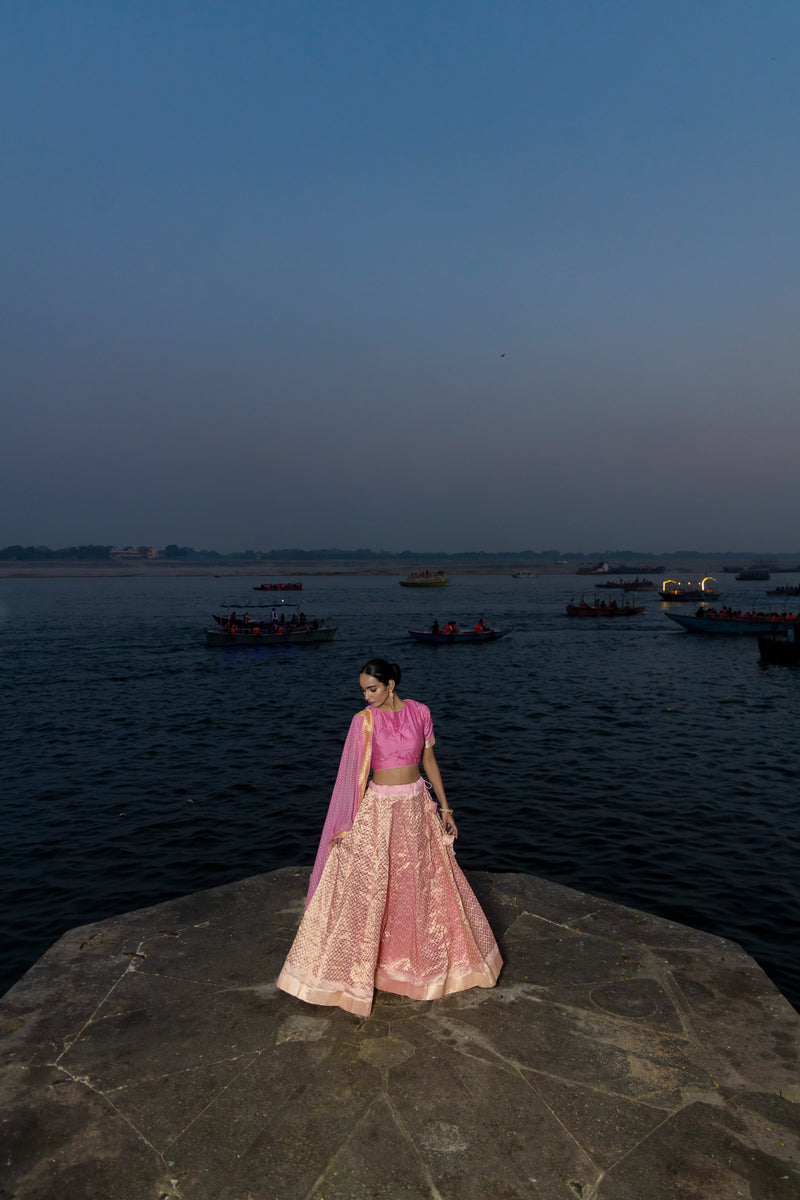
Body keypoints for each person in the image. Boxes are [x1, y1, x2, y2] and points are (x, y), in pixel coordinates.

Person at [276, 658, 502, 1017]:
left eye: (373, 689)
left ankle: (417, 965)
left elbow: (429, 762)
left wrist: (446, 809)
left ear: (391, 684)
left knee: (422, 887)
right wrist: (345, 824)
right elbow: (350, 776)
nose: (367, 696)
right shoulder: (363, 722)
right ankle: (365, 967)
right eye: (364, 690)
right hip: (380, 810)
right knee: (371, 887)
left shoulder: (420, 712)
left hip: (416, 806)